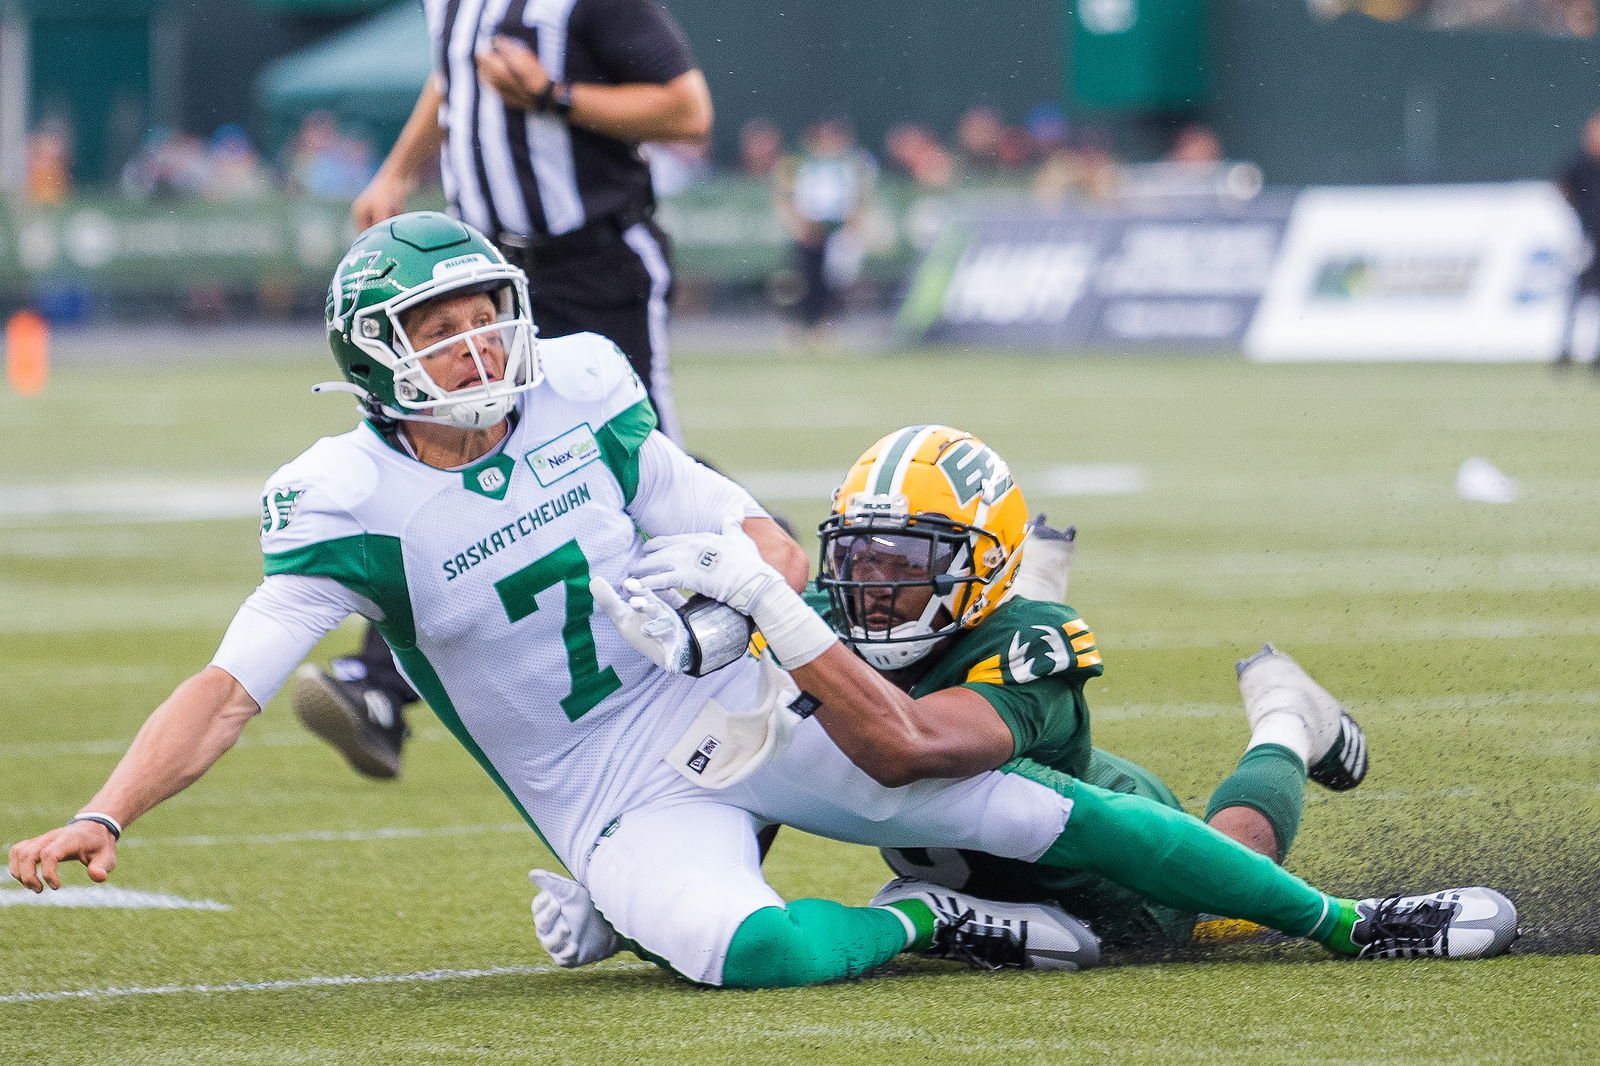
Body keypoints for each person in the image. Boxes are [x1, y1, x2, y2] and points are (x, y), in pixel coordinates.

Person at [8, 220, 1516, 988]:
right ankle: (935, 916)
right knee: (764, 959)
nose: (475, 352)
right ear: (374, 358)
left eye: (484, 318)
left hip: (729, 703)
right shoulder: (341, 496)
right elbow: (228, 690)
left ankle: (1346, 921)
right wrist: (107, 808)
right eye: (437, 331)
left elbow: (755, 534)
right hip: (604, 793)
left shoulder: (580, 390)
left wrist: (741, 610)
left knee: (1022, 798)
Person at [555, 422, 1519, 974]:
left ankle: (1285, 722)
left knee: (1238, 867)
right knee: (934, 902)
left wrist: (773, 615)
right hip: (989, 859)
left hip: (1113, 869)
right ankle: (1055, 574)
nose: (873, 586)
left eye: (906, 561)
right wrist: (637, 895)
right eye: (859, 556)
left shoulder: (1032, 647)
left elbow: (916, 748)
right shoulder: (828, 616)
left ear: (977, 569)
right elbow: (755, 766)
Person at [294, 0, 714, 776]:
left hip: (593, 263)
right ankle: (380, 684)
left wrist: (554, 95)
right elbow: (453, 77)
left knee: (642, 469)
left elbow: (686, 110)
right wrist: (399, 169)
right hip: (482, 281)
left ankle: (748, 599)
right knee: (454, 455)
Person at [773, 118, 877, 345]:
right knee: (804, 279)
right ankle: (803, 326)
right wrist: (798, 224)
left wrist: (853, 223)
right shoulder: (799, 162)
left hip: (839, 230)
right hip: (809, 230)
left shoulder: (854, 163)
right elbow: (784, 197)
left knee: (834, 279)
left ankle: (825, 326)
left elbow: (861, 197)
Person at [1554, 110, 1600, 373]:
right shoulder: (1580, 164)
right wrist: (1580, 211)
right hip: (1588, 239)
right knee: (1575, 297)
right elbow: (1563, 185)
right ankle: (1565, 353)